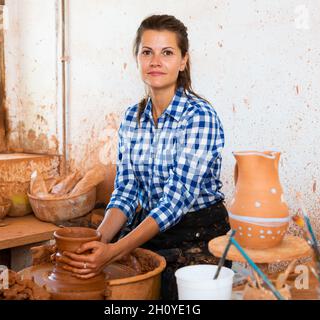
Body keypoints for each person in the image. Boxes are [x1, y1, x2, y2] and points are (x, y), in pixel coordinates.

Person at [58, 14, 230, 300]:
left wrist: (114, 250)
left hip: (198, 235)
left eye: (167, 53)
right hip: (149, 231)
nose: (155, 61)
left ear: (183, 61)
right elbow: (126, 191)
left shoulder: (200, 117)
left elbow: (176, 201)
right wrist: (95, 242)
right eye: (147, 52)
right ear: (136, 58)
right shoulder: (131, 118)